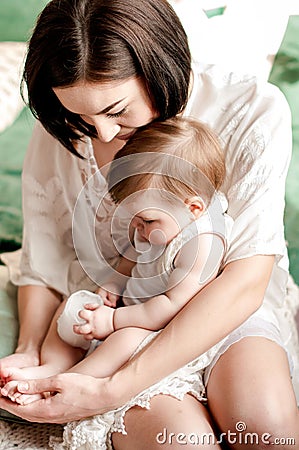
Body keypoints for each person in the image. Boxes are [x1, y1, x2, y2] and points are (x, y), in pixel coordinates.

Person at [0, 0, 298, 448]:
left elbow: (245, 279)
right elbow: (43, 257)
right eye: (83, 119)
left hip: (224, 305)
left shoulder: (251, 108)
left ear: (160, 68)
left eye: (117, 111)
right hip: (118, 309)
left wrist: (108, 391)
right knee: (182, 442)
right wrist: (30, 350)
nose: (99, 134)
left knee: (268, 433)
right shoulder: (66, 124)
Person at [1, 118, 233, 414]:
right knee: (75, 305)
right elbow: (132, 255)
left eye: (147, 221)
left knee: (125, 340)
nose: (140, 227)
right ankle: (50, 365)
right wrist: (113, 284)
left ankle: (71, 380)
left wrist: (113, 321)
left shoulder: (202, 244)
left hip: (158, 329)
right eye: (135, 219)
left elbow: (169, 307)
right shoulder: (162, 219)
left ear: (194, 208)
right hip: (126, 308)